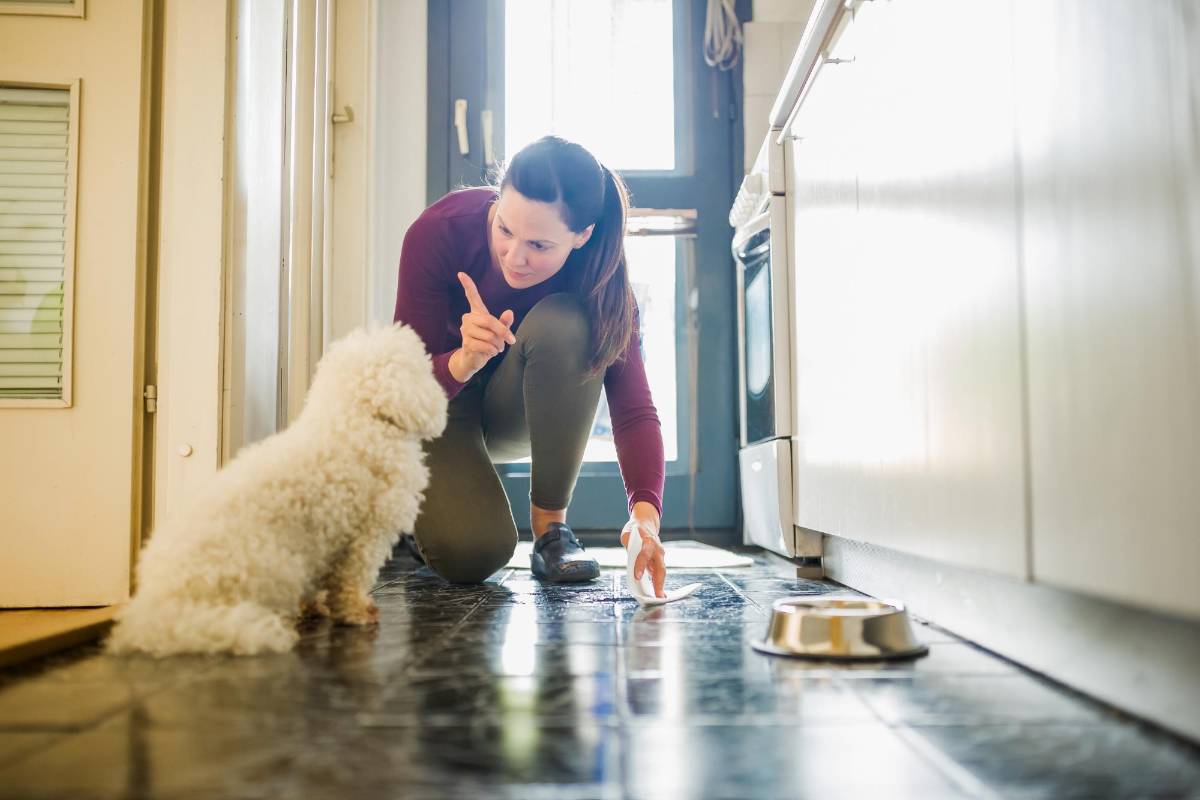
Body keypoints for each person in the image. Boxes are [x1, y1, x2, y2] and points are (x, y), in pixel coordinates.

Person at [393, 135, 668, 597]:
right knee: (472, 554)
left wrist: (646, 513)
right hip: (440, 406)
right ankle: (417, 521)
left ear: (581, 236)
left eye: (539, 245)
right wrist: (462, 361)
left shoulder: (600, 277)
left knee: (570, 324)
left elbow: (634, 406)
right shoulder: (439, 231)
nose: (514, 258)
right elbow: (401, 385)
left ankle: (551, 533)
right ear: (498, 198)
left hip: (515, 406)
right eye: (504, 230)